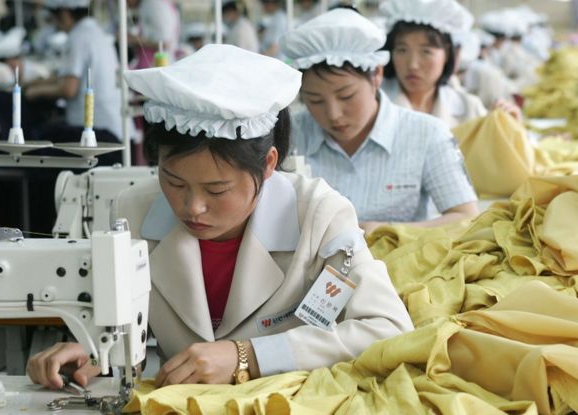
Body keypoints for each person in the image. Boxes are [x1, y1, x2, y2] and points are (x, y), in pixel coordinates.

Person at [26, 44, 413, 388]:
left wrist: (248, 357)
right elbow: (123, 323)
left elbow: (387, 328)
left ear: (268, 165)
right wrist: (95, 350)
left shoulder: (319, 214)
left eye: (217, 190)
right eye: (174, 182)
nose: (192, 207)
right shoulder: (134, 209)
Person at [280, 9, 478, 235]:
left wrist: (389, 231)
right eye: (315, 101)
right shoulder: (290, 134)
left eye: (346, 97)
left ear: (376, 76)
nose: (333, 114)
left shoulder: (427, 134)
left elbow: (465, 215)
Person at [24, 0, 122, 156]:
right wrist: (35, 83)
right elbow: (66, 75)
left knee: (38, 139)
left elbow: (68, 88)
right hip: (113, 127)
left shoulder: (78, 36)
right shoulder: (96, 31)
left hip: (96, 132)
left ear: (64, 14)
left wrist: (34, 92)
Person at [378, 0, 490, 128]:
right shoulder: (374, 103)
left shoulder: (470, 108)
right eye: (402, 50)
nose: (413, 65)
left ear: (447, 54)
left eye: (426, 52)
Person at [127, 0, 181, 68]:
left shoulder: (153, 4)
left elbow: (164, 43)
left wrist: (133, 39)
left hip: (157, 64)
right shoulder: (148, 4)